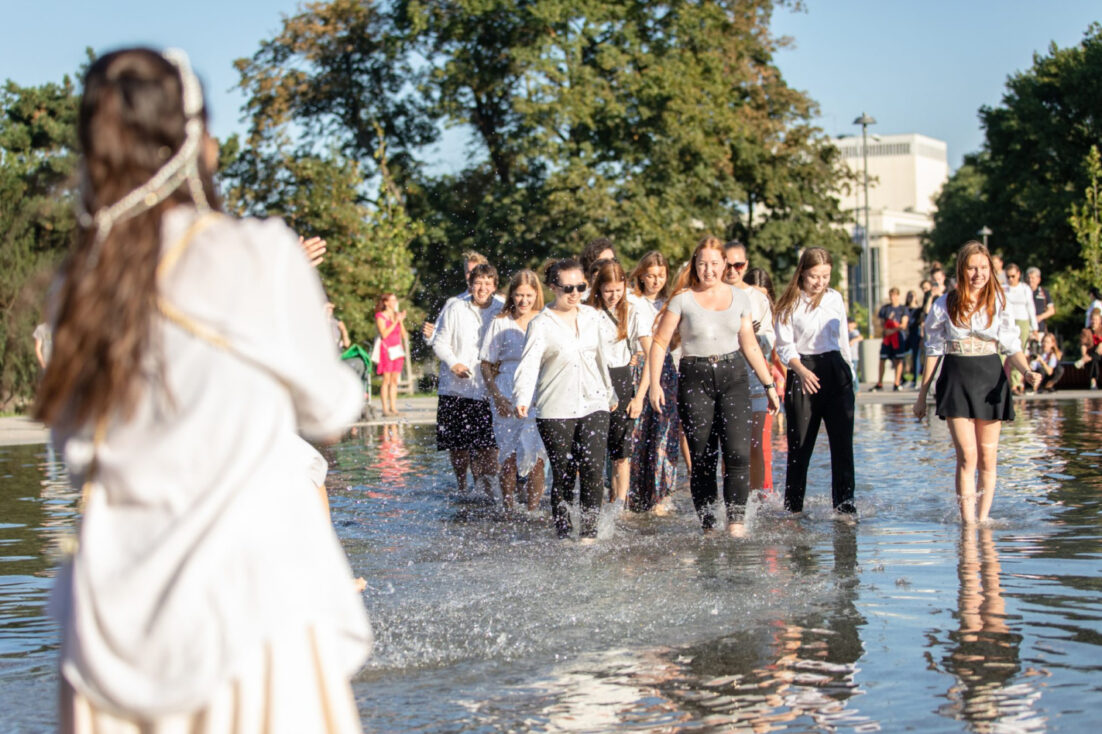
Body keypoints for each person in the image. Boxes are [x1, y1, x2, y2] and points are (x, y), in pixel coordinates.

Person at [36, 48, 370, 731]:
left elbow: (71, 449)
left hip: (112, 623)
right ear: (193, 140)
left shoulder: (78, 282)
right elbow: (333, 410)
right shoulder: (257, 252)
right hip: (247, 610)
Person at [648, 236, 779, 536]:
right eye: (703, 264)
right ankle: (708, 525)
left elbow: (749, 343)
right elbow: (659, 342)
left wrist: (769, 384)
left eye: (715, 264)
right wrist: (654, 384)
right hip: (695, 378)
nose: (709, 270)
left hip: (734, 376)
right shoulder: (683, 299)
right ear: (695, 264)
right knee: (703, 456)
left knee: (738, 453)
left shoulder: (740, 298)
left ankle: (735, 522)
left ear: (723, 265)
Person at [913, 241, 1041, 524]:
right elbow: (933, 350)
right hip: (957, 375)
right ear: (962, 269)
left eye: (983, 267)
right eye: (972, 268)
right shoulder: (944, 304)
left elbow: (1010, 345)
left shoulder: (999, 301)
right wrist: (922, 395)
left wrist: (1027, 371)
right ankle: (968, 524)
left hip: (990, 375)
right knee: (967, 456)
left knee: (988, 457)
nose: (979, 273)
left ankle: (982, 519)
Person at [513, 259, 617, 541]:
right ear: (552, 287)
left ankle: (589, 534)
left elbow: (601, 359)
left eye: (581, 286)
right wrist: (522, 396)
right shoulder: (541, 324)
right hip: (555, 407)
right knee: (564, 472)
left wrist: (610, 392)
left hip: (594, 401)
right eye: (567, 287)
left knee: (594, 469)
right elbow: (529, 363)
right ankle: (563, 530)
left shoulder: (592, 316)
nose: (575, 293)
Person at [774, 247, 857, 517]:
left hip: (835, 368)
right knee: (800, 445)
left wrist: (850, 375)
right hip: (803, 370)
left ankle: (845, 507)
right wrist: (801, 371)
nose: (820, 282)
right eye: (814, 276)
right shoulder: (789, 304)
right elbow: (785, 347)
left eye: (825, 276)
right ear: (802, 273)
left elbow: (843, 340)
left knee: (842, 445)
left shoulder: (835, 299)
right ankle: (794, 509)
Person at [480, 269, 548, 512]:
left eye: (529, 295)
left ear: (536, 294)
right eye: (519, 295)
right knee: (508, 455)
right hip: (507, 388)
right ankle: (508, 507)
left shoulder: (545, 319)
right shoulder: (500, 322)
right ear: (512, 295)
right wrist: (496, 396)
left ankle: (533, 508)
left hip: (538, 391)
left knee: (538, 455)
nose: (524, 301)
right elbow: (486, 363)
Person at [433, 262, 503, 498]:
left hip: (487, 389)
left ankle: (489, 488)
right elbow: (439, 341)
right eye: (478, 282)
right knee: (458, 445)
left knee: (489, 446)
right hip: (456, 389)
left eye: (487, 283)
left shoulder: (501, 309)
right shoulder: (455, 307)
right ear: (470, 284)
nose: (482, 288)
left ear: (494, 285)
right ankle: (463, 487)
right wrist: (453, 364)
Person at [588, 260, 652, 504]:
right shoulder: (588, 312)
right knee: (593, 450)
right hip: (593, 379)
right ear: (598, 289)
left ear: (625, 285)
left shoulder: (633, 310)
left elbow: (650, 354)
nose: (613, 296)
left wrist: (639, 397)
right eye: (607, 291)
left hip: (621, 379)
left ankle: (620, 505)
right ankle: (595, 502)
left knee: (621, 453)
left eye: (618, 290)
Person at [626, 251, 680, 514]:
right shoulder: (631, 300)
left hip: (665, 371)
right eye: (650, 275)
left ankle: (661, 495)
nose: (656, 280)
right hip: (636, 371)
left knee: (664, 433)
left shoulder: (672, 302)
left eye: (661, 275)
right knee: (636, 434)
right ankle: (632, 495)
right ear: (641, 276)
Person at [722, 241, 774, 498]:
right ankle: (729, 500)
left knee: (754, 445)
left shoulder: (758, 297)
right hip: (723, 377)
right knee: (729, 447)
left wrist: (752, 337)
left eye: (738, 265)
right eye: (728, 265)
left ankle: (756, 500)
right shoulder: (713, 294)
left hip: (753, 377)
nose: (733, 270)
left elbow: (769, 339)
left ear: (746, 265)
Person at [744, 266, 783, 496]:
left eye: (764, 294)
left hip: (765, 381)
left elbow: (776, 352)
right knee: (737, 446)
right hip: (737, 381)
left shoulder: (772, 314)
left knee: (762, 444)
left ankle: (764, 493)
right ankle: (740, 494)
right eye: (755, 293)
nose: (760, 298)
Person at [422, 251, 497, 344]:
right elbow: (437, 339)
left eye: (475, 272)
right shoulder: (453, 303)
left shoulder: (500, 304)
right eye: (468, 272)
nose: (471, 276)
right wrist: (429, 335)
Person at [1003, 263, 1037, 395]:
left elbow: (1031, 307)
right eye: (1008, 276)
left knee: (1019, 352)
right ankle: (999, 382)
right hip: (1006, 322)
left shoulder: (1025, 288)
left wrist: (1034, 327)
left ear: (1018, 274)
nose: (1011, 279)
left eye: (1013, 276)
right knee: (1002, 353)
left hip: (1022, 321)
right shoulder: (1003, 288)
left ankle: (1015, 384)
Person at [374, 293, 407, 416]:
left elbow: (404, 335)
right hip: (386, 350)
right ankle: (385, 409)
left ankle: (393, 407)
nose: (394, 302)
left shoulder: (396, 315)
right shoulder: (380, 316)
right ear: (386, 302)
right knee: (386, 379)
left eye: (395, 300)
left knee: (394, 380)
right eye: (392, 300)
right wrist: (394, 322)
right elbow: (384, 334)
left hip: (397, 350)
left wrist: (400, 321)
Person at [872, 287, 908, 391]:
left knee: (898, 360)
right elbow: (881, 323)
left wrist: (892, 330)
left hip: (898, 338)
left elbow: (903, 325)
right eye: (891, 295)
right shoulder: (885, 309)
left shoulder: (903, 309)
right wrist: (884, 329)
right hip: (887, 339)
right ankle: (880, 383)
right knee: (882, 359)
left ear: (898, 296)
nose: (893, 297)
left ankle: (897, 382)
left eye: (895, 295)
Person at [1077, 308, 1102, 389]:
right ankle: (1093, 381)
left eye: (1096, 319)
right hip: (1092, 356)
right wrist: (1084, 355)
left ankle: (1086, 359)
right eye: (1092, 319)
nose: (1093, 321)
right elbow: (1083, 345)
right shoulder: (1086, 331)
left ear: (1100, 320)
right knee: (1094, 359)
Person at [1026, 266, 1055, 337]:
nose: (1030, 280)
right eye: (1028, 278)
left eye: (1033, 278)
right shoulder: (1022, 291)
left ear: (1038, 279)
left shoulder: (1043, 292)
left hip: (1040, 330)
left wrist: (1040, 317)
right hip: (1025, 329)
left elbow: (1051, 310)